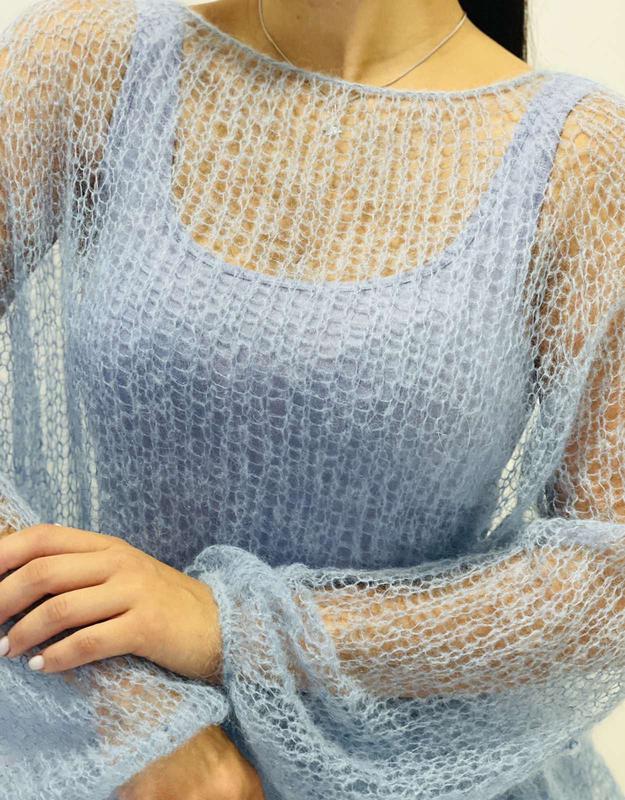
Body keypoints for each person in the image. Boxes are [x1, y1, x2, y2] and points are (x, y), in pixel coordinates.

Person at [1, 0, 625, 798]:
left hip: (440, 778)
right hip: (115, 765)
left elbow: (607, 579)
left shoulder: (580, 158)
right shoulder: (88, 67)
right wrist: (130, 704)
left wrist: (231, 628)